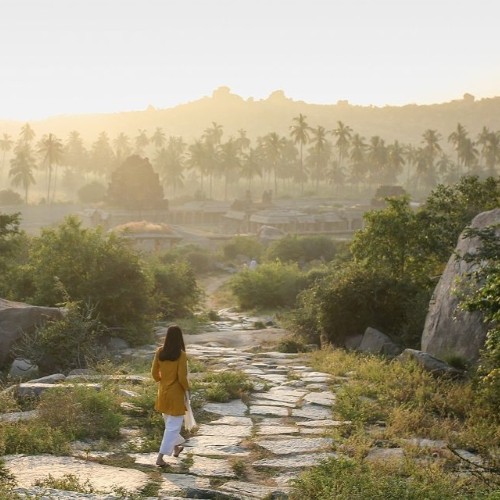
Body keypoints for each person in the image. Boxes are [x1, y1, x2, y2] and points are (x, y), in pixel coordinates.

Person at [151, 324, 190, 467]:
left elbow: (154, 374)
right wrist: (188, 389)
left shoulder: (160, 352)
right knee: (172, 427)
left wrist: (163, 382)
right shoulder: (181, 355)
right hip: (176, 395)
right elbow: (181, 377)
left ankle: (176, 448)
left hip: (163, 393)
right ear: (180, 338)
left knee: (169, 424)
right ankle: (160, 458)